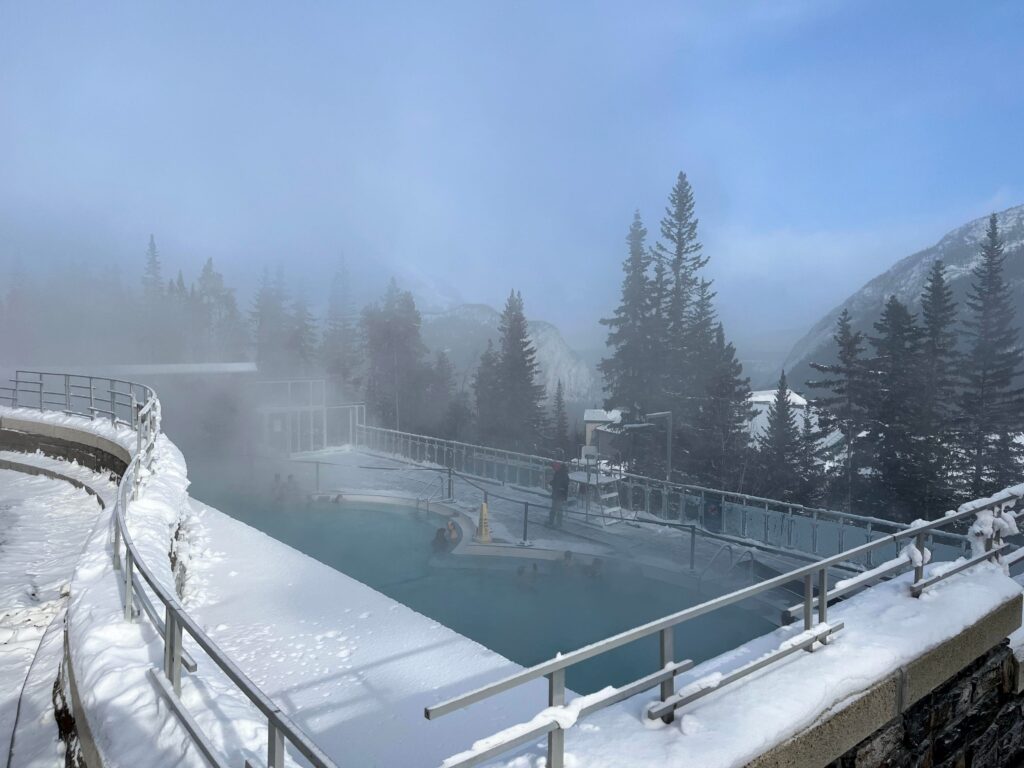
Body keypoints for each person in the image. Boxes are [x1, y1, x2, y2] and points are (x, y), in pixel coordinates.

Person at [548, 461, 570, 528]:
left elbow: (563, 484)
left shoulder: (562, 474)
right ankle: (555, 522)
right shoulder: (560, 473)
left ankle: (555, 523)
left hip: (559, 494)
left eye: (554, 468)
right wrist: (552, 483)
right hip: (558, 494)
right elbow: (557, 482)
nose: (554, 469)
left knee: (556, 509)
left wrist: (553, 484)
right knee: (556, 508)